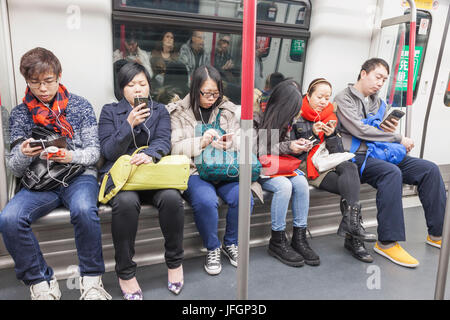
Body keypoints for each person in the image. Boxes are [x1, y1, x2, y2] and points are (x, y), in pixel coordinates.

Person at [0, 47, 111, 300]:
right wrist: (24, 154)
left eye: (48, 81)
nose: (42, 89)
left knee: (84, 210)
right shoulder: (20, 114)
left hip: (78, 176)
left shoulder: (80, 106)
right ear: (27, 82)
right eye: (34, 83)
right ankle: (42, 283)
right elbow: (14, 167)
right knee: (8, 218)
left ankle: (92, 281)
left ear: (59, 76)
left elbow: (94, 153)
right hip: (40, 181)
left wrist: (69, 155)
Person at [335, 57, 446, 268]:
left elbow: (379, 131)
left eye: (384, 80)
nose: (380, 83)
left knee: (429, 169)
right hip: (357, 156)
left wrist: (391, 131)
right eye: (377, 77)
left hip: (381, 153)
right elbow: (360, 130)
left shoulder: (378, 101)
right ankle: (387, 242)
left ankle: (437, 234)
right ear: (363, 73)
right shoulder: (344, 98)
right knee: (391, 173)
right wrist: (397, 138)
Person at [98, 62, 185, 298]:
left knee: (172, 198)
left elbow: (164, 142)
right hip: (123, 177)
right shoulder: (109, 111)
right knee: (125, 203)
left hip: (151, 173)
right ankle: (125, 272)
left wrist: (150, 154)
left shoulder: (160, 111)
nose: (138, 89)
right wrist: (129, 124)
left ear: (149, 86)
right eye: (131, 84)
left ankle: (175, 262)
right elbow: (107, 150)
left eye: (142, 84)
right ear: (122, 89)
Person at [166, 65, 252, 275]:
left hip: (224, 166)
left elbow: (243, 140)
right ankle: (212, 247)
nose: (212, 97)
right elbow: (174, 147)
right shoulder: (177, 112)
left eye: (216, 92)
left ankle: (231, 243)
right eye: (207, 93)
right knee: (206, 200)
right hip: (195, 168)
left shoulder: (228, 109)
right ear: (195, 89)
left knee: (244, 197)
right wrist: (201, 142)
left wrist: (229, 142)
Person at [293, 78, 377, 263]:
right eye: (320, 97)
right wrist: (312, 134)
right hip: (307, 166)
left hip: (327, 161)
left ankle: (352, 226)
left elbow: (337, 152)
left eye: (327, 97)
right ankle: (353, 237)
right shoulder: (296, 114)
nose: (324, 101)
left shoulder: (331, 115)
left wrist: (331, 135)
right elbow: (294, 151)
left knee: (349, 166)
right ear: (308, 95)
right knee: (351, 185)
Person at [256, 79, 320, 267]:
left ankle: (299, 237)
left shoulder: (288, 120)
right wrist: (288, 146)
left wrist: (298, 145)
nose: (296, 115)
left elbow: (281, 147)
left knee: (301, 183)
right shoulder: (256, 117)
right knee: (284, 186)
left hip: (279, 166)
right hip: (260, 169)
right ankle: (277, 239)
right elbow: (256, 150)